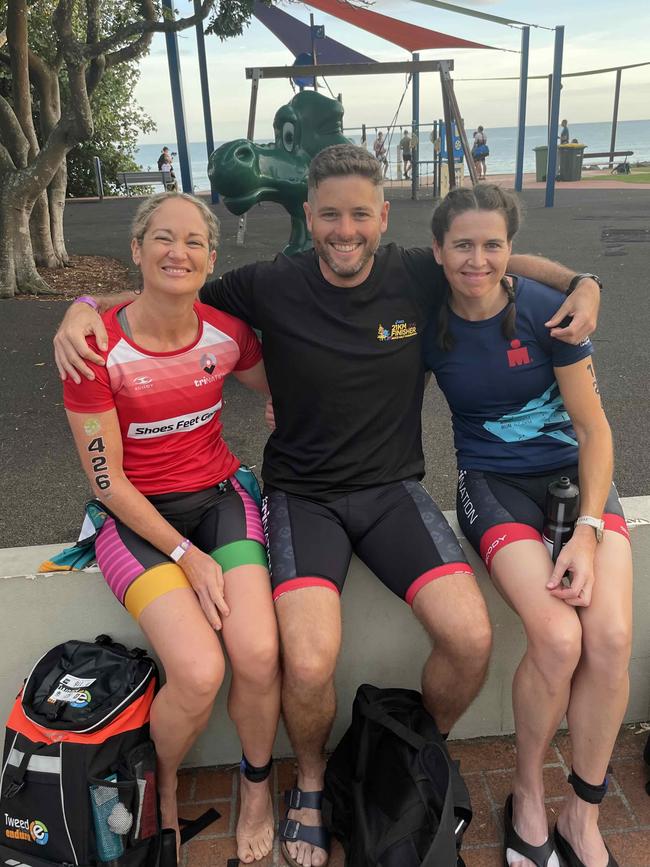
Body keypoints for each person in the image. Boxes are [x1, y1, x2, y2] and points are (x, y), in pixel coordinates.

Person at [54, 145, 601, 867]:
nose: (345, 230)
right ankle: (310, 779)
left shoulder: (415, 272)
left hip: (392, 491)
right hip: (302, 497)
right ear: (308, 216)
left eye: (360, 214)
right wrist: (83, 308)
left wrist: (582, 281)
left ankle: (400, 754)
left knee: (470, 637)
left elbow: (496, 262)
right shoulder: (269, 283)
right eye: (330, 215)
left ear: (383, 217)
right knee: (307, 662)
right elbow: (170, 288)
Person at [62, 192, 281, 865]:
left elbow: (278, 380)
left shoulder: (226, 331)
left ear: (211, 258)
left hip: (219, 498)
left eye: (192, 242)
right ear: (137, 248)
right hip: (134, 520)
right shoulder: (95, 349)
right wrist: (187, 554)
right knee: (196, 668)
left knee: (258, 651)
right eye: (161, 237)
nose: (176, 252)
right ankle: (160, 791)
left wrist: (289, 401)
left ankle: (256, 785)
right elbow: (108, 482)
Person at [424, 184, 631, 867]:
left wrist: (589, 529)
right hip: (492, 482)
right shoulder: (426, 313)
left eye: (493, 244)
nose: (477, 259)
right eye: (462, 245)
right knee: (555, 634)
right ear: (437, 251)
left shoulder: (548, 312)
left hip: (579, 481)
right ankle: (527, 794)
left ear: (511, 251)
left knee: (610, 635)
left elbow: (594, 427)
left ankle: (583, 809)